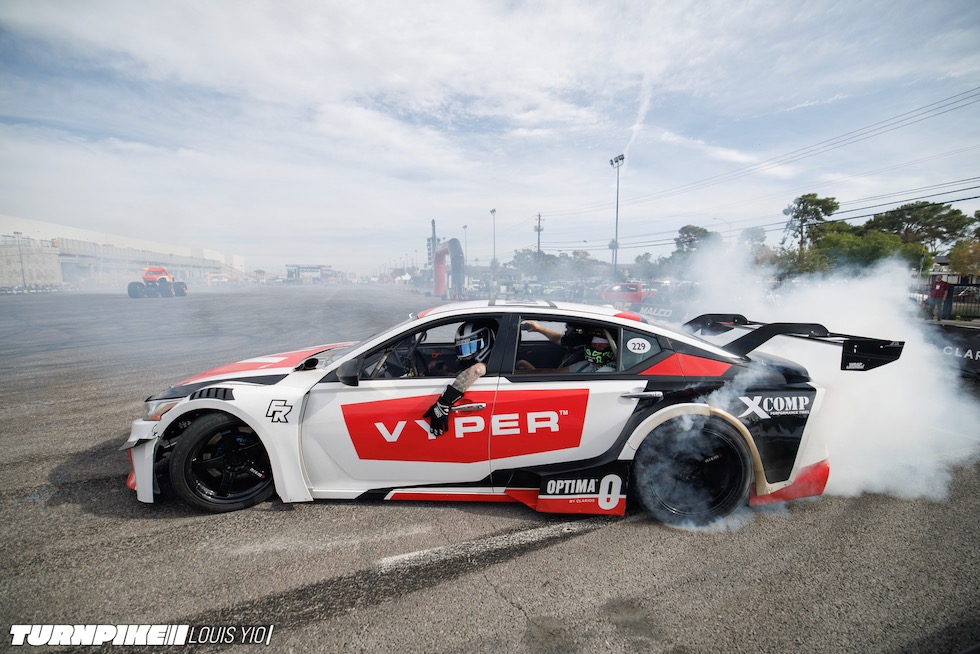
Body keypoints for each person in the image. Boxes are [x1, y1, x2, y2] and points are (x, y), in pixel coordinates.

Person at [423, 319, 496, 436]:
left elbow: (477, 370)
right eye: (463, 348)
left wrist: (443, 402)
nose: (466, 353)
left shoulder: (486, 364)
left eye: (471, 347)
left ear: (486, 343)